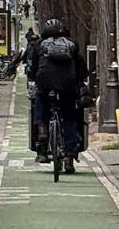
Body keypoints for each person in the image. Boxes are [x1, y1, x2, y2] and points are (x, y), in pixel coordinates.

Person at [33, 19, 87, 171]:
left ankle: (42, 133)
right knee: (69, 117)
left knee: (40, 99)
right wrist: (79, 81)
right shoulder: (72, 44)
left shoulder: (40, 45)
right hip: (67, 84)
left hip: (45, 81)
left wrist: (33, 77)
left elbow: (33, 68)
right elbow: (80, 67)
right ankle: (69, 155)